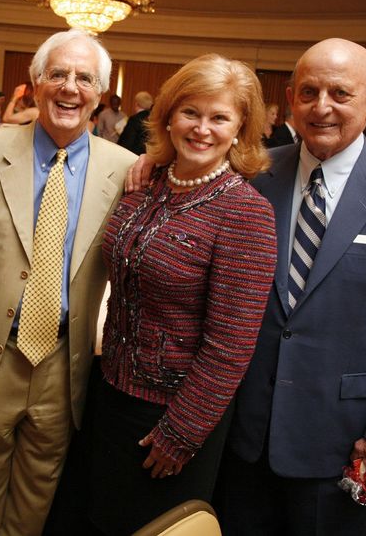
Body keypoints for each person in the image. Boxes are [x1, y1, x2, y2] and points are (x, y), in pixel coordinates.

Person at [216, 38, 366, 535]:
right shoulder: (252, 176)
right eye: (309, 92)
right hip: (244, 436)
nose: (322, 107)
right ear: (291, 98)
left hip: (342, 441)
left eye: (340, 94)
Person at [0, 29, 137, 536]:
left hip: (63, 363)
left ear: (100, 94)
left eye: (84, 78)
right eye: (57, 74)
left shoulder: (127, 170)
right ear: (34, 84)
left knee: (35, 501)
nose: (70, 87)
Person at [88, 54, 277, 535]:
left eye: (220, 117)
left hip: (171, 420)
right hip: (107, 397)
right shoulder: (145, 182)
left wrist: (182, 432)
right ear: (169, 115)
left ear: (240, 129)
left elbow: (230, 344)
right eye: (191, 112)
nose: (202, 128)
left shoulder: (246, 213)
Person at [116, 91, 154, 155]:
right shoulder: (153, 118)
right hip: (149, 156)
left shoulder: (134, 119)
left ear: (137, 104)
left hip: (134, 156)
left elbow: (127, 142)